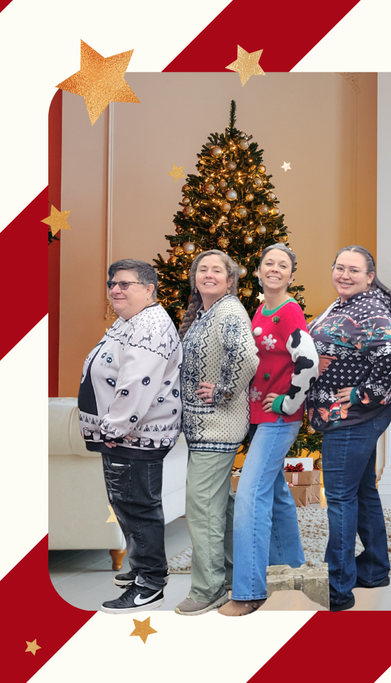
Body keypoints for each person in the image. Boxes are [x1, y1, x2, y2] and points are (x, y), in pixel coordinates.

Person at [220, 244, 320, 616]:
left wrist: (288, 402)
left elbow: (308, 361)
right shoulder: (261, 309)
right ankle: (292, 572)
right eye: (269, 264)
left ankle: (248, 591)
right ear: (259, 270)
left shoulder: (289, 312)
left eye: (283, 266)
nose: (275, 269)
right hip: (262, 418)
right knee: (275, 492)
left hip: (279, 420)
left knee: (249, 495)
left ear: (292, 275)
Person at [79, 259, 183, 614]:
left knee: (138, 507)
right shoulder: (131, 322)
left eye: (125, 284)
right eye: (112, 284)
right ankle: (143, 569)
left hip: (133, 437)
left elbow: (137, 384)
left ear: (149, 288)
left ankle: (150, 584)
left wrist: (114, 428)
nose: (115, 290)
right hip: (125, 437)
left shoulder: (150, 326)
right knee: (128, 505)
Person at [306, 245, 391, 612]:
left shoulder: (367, 307)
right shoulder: (346, 303)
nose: (344, 275)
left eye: (353, 270)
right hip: (353, 419)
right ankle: (375, 568)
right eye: (339, 268)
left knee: (342, 498)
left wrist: (365, 394)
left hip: (350, 420)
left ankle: (338, 587)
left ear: (368, 275)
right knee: (362, 493)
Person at [174, 250, 259, 616]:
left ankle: (208, 589)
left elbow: (248, 355)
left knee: (201, 507)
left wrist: (224, 390)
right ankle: (234, 578)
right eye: (202, 269)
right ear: (195, 278)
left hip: (216, 426)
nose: (208, 275)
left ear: (230, 280)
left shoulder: (228, 310)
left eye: (216, 271)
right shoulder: (205, 314)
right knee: (218, 506)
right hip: (202, 428)